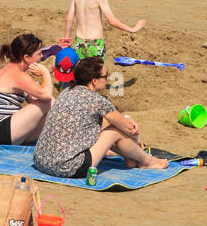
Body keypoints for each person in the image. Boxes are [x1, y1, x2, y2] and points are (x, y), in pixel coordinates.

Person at [34, 56, 168, 178]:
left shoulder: (66, 92)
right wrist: (130, 124)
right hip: (67, 167)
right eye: (105, 76)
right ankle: (147, 161)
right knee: (114, 131)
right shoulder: (97, 101)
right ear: (94, 81)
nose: (107, 79)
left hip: (41, 160)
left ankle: (131, 158)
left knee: (105, 124)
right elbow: (128, 128)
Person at [0, 33, 54, 145]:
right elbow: (47, 95)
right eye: (39, 54)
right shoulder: (17, 75)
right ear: (26, 57)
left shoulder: (9, 69)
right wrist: (45, 73)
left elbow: (31, 98)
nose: (42, 57)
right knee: (50, 102)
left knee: (47, 104)